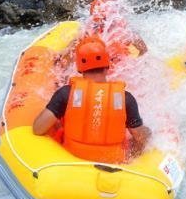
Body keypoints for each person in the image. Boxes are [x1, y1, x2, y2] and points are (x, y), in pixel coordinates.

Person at [33, 36, 151, 164]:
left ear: (80, 69)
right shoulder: (125, 98)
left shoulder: (65, 93)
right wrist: (148, 132)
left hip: (71, 161)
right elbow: (140, 137)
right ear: (107, 67)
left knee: (59, 125)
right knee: (144, 134)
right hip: (113, 165)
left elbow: (38, 128)